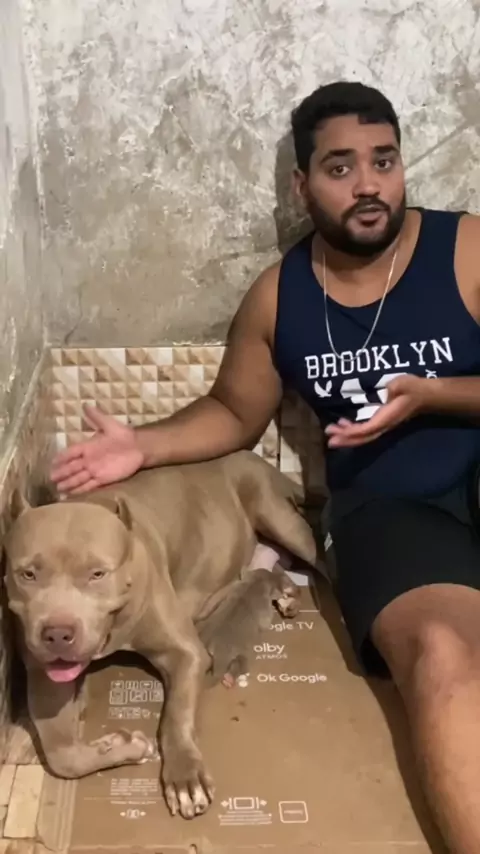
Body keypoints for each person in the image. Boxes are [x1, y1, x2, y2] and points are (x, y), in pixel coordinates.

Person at [50, 80, 480, 853]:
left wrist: (437, 394)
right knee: (445, 660)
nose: (368, 184)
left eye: (384, 161)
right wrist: (142, 444)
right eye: (340, 168)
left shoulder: (467, 250)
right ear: (301, 185)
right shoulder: (281, 296)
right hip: (389, 508)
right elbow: (232, 411)